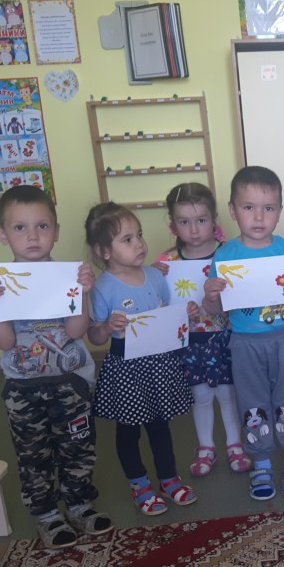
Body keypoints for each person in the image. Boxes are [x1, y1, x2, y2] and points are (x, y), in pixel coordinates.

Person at [0, 185, 110, 548]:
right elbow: (4, 342)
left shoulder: (71, 277)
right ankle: (47, 515)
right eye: (19, 228)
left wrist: (83, 293)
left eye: (42, 226)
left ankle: (80, 505)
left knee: (78, 447)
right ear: (3, 234)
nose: (33, 236)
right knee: (33, 454)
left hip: (71, 383)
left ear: (56, 230)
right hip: (24, 388)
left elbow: (77, 331)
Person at [202, 166, 284, 501]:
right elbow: (214, 310)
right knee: (252, 402)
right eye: (249, 207)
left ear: (279, 211)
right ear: (233, 210)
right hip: (245, 343)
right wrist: (210, 294)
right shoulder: (225, 255)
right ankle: (261, 462)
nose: (259, 217)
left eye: (269, 208)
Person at [86, 202, 195, 516]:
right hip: (126, 367)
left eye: (140, 235)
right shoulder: (102, 288)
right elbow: (95, 337)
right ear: (104, 251)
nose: (139, 244)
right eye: (127, 239)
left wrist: (184, 315)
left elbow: (167, 317)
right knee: (129, 430)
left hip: (159, 363)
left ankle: (168, 478)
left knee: (161, 426)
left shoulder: (155, 276)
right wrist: (107, 327)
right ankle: (139, 484)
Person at [155, 183, 250, 478]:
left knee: (228, 394)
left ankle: (234, 444)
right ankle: (206, 447)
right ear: (173, 225)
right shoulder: (166, 263)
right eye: (184, 222)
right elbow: (156, 304)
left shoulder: (230, 253)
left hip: (226, 337)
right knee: (201, 396)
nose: (194, 229)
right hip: (190, 341)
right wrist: (151, 278)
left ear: (214, 219)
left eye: (201, 220)